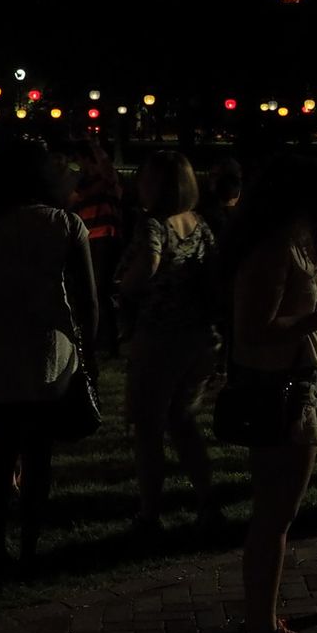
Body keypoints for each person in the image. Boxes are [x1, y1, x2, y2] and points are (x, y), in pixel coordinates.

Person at [225, 153, 317, 633]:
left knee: (276, 512)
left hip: (297, 379)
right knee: (276, 513)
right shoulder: (275, 249)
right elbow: (254, 327)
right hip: (284, 385)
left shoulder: (290, 244)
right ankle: (263, 629)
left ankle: (261, 622)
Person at [0, 137, 97, 568]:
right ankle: (31, 544)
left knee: (1, 451)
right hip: (48, 349)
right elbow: (88, 298)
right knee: (39, 453)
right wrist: (89, 349)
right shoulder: (64, 224)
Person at [118, 150, 225, 536]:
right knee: (183, 421)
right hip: (199, 338)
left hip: (160, 334)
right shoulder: (199, 224)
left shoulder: (153, 225)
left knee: (148, 426)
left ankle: (150, 512)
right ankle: (208, 502)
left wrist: (122, 289)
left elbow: (147, 264)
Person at [67, 136, 123, 384]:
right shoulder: (86, 183)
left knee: (99, 290)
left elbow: (108, 174)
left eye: (82, 161)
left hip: (103, 237)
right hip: (92, 237)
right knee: (96, 290)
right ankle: (104, 341)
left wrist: (96, 148)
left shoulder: (106, 181)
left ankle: (106, 341)